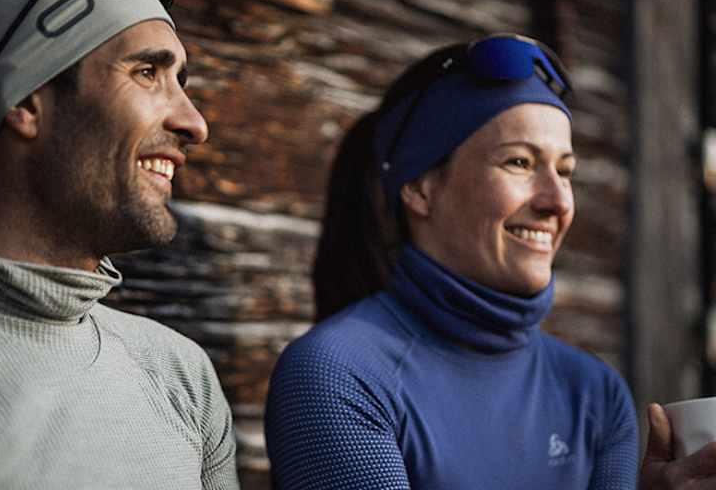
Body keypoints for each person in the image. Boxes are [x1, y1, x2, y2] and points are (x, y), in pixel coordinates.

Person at [266, 34, 716, 489]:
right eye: (519, 162)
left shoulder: (594, 393)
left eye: (565, 170)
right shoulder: (339, 373)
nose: (557, 200)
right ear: (420, 187)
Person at [0, 0, 239, 488]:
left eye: (181, 81)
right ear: (27, 101)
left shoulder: (181, 374)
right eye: (148, 72)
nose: (195, 123)